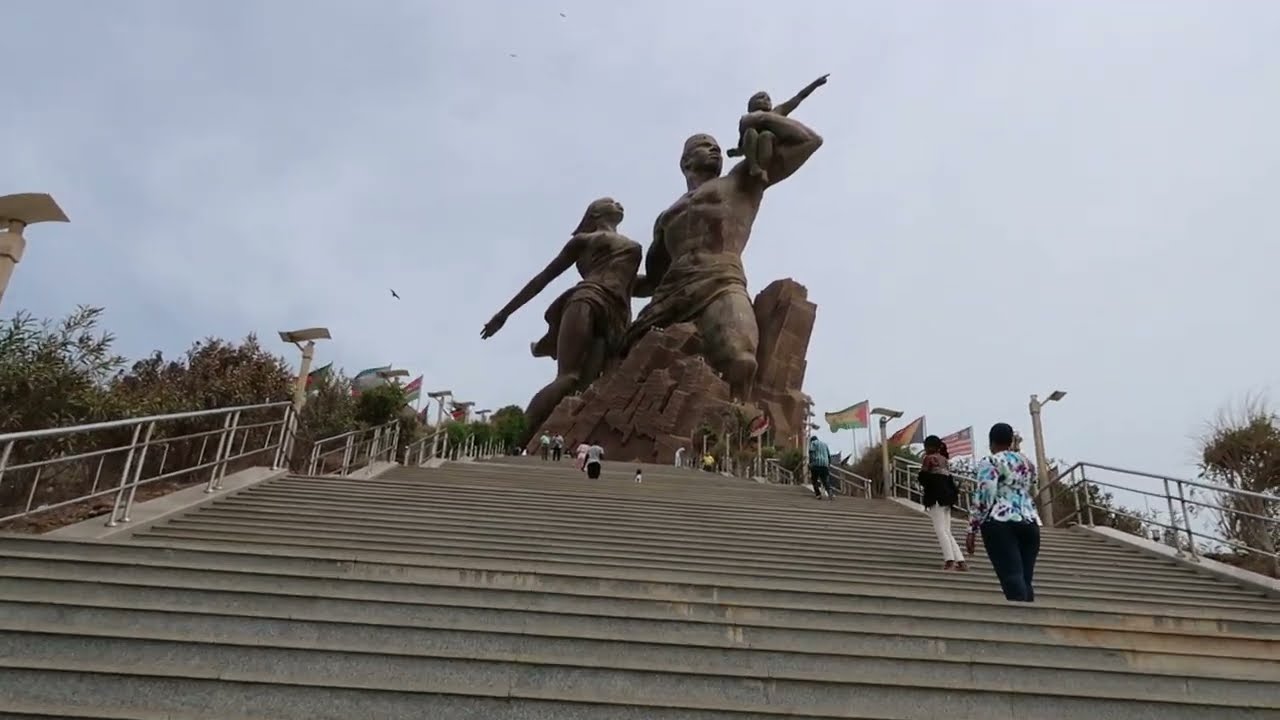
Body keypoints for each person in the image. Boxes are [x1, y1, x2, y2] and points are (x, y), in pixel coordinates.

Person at [967, 422, 1041, 602]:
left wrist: (972, 528)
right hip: (1029, 521)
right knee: (1025, 578)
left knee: (1011, 576)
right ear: (1010, 441)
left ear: (991, 442)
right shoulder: (1028, 464)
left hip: (1000, 521)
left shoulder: (991, 461)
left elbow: (986, 494)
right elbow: (1032, 488)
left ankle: (1020, 622)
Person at [726, 74, 829, 183]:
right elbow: (743, 143)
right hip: (754, 147)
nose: (766, 100)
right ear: (750, 106)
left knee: (766, 135)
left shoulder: (776, 112)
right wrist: (736, 152)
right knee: (750, 132)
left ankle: (763, 169)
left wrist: (815, 84)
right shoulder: (747, 120)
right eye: (761, 98)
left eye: (768, 99)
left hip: (771, 143)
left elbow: (798, 97)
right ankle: (754, 167)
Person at [921, 435, 967, 571]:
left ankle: (950, 560)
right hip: (947, 499)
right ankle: (960, 560)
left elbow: (923, 477)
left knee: (941, 530)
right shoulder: (945, 460)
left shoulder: (929, 459)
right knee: (947, 530)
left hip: (936, 498)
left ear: (930, 447)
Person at [808, 435, 834, 500]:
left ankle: (818, 494)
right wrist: (828, 465)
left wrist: (810, 463)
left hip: (816, 464)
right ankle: (829, 491)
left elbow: (811, 452)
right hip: (825, 465)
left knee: (814, 480)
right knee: (825, 480)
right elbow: (829, 456)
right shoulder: (825, 444)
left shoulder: (813, 443)